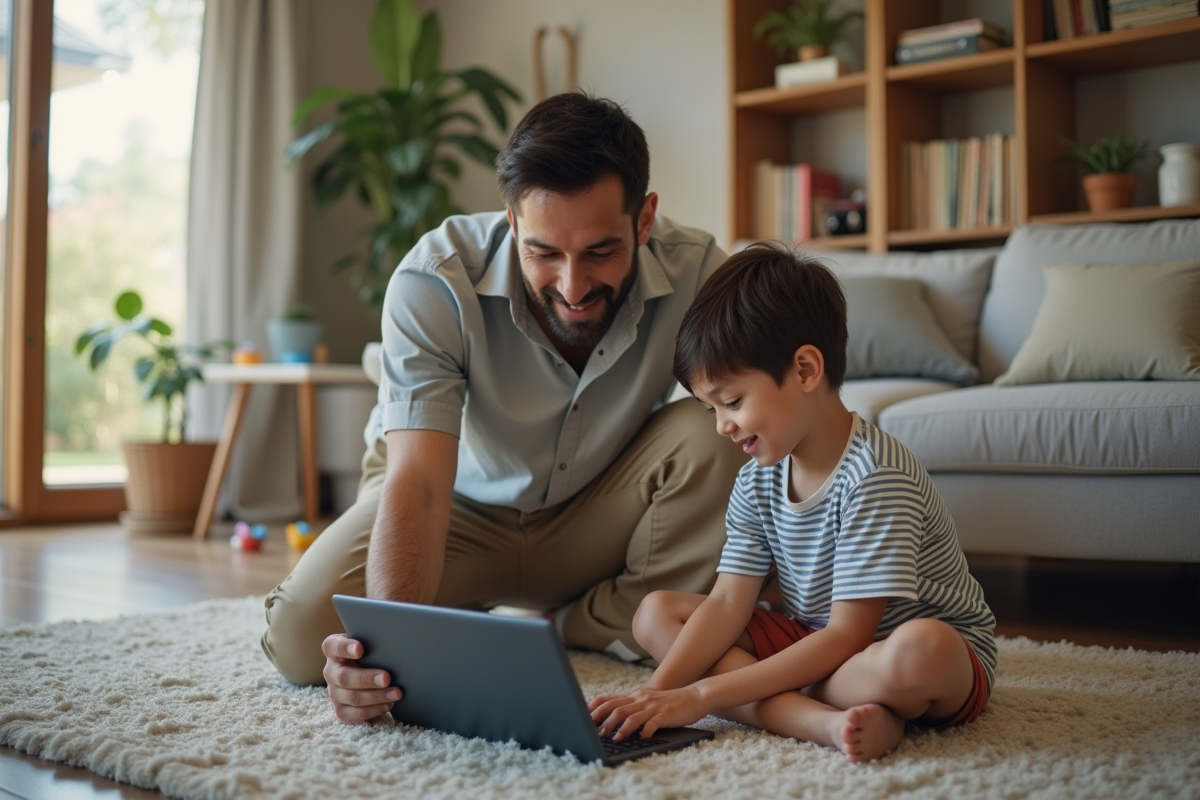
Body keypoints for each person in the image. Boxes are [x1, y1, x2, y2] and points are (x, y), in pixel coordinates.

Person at [259, 92, 745, 723]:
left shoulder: (702, 272)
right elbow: (420, 487)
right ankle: (471, 614)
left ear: (644, 219)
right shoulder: (434, 281)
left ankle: (575, 622)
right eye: (545, 252)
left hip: (593, 514)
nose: (573, 287)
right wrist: (395, 655)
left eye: (600, 251)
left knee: (718, 431)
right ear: (512, 221)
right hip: (454, 503)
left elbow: (778, 415)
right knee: (303, 644)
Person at [587, 242, 997, 762]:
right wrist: (659, 693)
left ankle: (794, 702)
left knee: (922, 652)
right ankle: (826, 723)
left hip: (885, 653)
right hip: (819, 643)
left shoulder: (876, 475)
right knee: (655, 614)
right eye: (711, 407)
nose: (721, 426)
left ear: (805, 370)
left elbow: (851, 635)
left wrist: (702, 694)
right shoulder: (757, 480)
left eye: (732, 402)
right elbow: (728, 602)